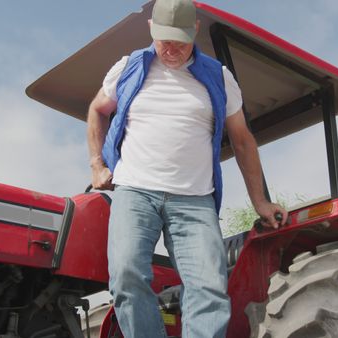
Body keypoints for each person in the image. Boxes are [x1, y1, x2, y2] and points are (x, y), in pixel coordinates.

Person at [86, 0, 287, 336]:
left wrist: (261, 202)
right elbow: (97, 110)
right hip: (135, 191)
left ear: (194, 30)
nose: (172, 49)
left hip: (194, 200)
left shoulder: (218, 77)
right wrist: (97, 165)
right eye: (165, 39)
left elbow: (242, 140)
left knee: (208, 286)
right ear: (151, 27)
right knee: (126, 276)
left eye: (180, 40)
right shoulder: (128, 67)